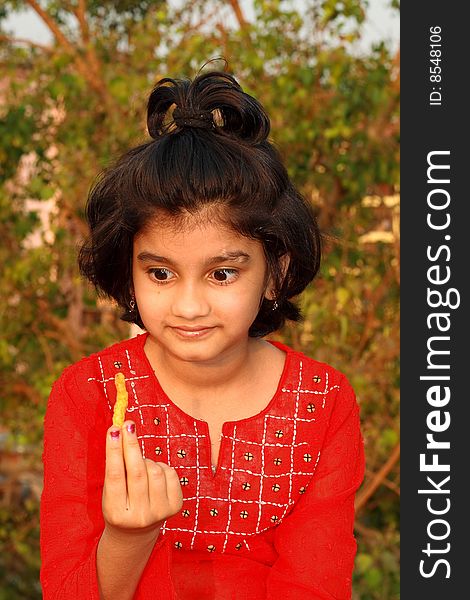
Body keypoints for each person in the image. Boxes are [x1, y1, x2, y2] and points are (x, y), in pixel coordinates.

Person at [40, 64, 365, 600]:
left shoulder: (322, 403)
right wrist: (129, 535)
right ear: (129, 272)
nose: (189, 306)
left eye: (222, 273)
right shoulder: (88, 396)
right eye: (161, 273)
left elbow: (314, 585)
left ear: (275, 273)